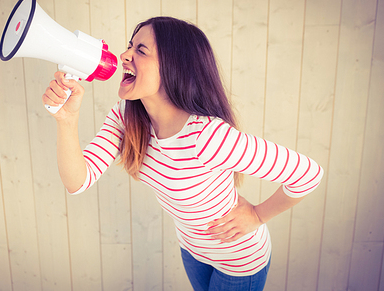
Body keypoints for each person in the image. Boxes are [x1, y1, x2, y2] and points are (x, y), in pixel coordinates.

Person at [42, 16, 323, 291]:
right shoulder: (126, 116)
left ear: (175, 67)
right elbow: (78, 181)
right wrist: (66, 120)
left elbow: (308, 174)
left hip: (239, 261)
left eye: (140, 50)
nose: (124, 55)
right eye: (130, 46)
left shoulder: (208, 137)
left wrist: (258, 216)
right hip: (192, 252)